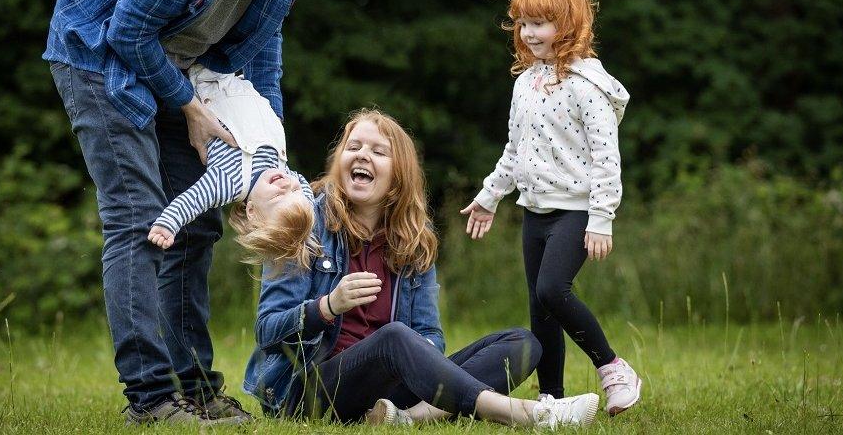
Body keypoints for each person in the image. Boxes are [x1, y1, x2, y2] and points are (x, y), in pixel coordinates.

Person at [43, 0, 365, 425]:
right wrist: (188, 106)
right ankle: (149, 398)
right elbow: (129, 29)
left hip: (180, 72)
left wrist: (266, 134)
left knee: (197, 230)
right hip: (99, 56)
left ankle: (193, 388)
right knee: (141, 219)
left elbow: (263, 49)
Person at [243, 109, 600, 429]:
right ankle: (523, 413)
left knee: (523, 343)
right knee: (395, 337)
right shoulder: (304, 222)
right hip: (311, 394)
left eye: (378, 152)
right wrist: (327, 306)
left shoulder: (414, 242)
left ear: (397, 178)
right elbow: (266, 330)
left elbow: (430, 333)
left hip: (388, 389)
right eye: (354, 147)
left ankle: (409, 417)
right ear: (339, 161)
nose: (363, 155)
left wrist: (423, 356)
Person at [461, 0, 642, 416]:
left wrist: (602, 217)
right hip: (535, 211)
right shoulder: (525, 84)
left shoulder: (587, 86)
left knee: (552, 291)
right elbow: (515, 150)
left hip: (577, 210)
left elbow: (606, 158)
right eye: (522, 23)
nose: (528, 33)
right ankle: (552, 399)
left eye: (539, 23)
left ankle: (613, 368)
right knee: (539, 308)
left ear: (568, 24)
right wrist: (490, 195)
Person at [147, 65, 318, 270]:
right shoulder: (283, 172)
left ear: (252, 211)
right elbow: (307, 197)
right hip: (236, 72)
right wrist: (306, 226)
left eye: (278, 197)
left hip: (205, 74)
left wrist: (168, 225)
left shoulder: (230, 182)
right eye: (295, 189)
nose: (286, 185)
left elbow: (193, 201)